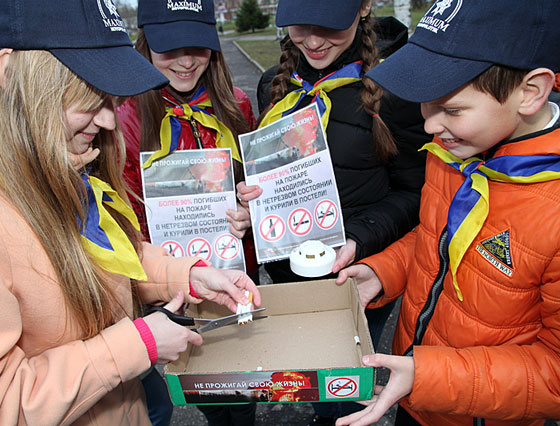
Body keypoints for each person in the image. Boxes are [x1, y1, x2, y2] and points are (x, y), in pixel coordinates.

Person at [0, 0, 262, 425]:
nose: (106, 120)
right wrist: (135, 345)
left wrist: (186, 275)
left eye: (110, 98)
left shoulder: (52, 160)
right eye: (87, 97)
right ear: (10, 74)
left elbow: (105, 259)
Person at [333, 1, 560, 425]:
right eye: (424, 103)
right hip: (415, 391)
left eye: (451, 109)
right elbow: (436, 237)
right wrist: (384, 270)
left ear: (531, 92)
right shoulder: (452, 151)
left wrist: (430, 376)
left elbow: (555, 375)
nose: (431, 126)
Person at [230, 1, 430, 423]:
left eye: (330, 27)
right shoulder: (275, 84)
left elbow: (417, 193)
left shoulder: (395, 90)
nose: (315, 41)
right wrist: (250, 206)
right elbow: (268, 175)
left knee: (345, 387)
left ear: (363, 8)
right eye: (301, 27)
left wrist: (358, 237)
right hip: (288, 275)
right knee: (314, 377)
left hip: (359, 276)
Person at [116, 1, 258, 425]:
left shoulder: (235, 104)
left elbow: (251, 183)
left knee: (244, 379)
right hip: (171, 283)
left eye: (197, 46)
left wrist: (249, 209)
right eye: (168, 48)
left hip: (234, 270)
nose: (185, 60)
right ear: (145, 45)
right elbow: (124, 219)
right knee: (204, 383)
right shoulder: (123, 117)